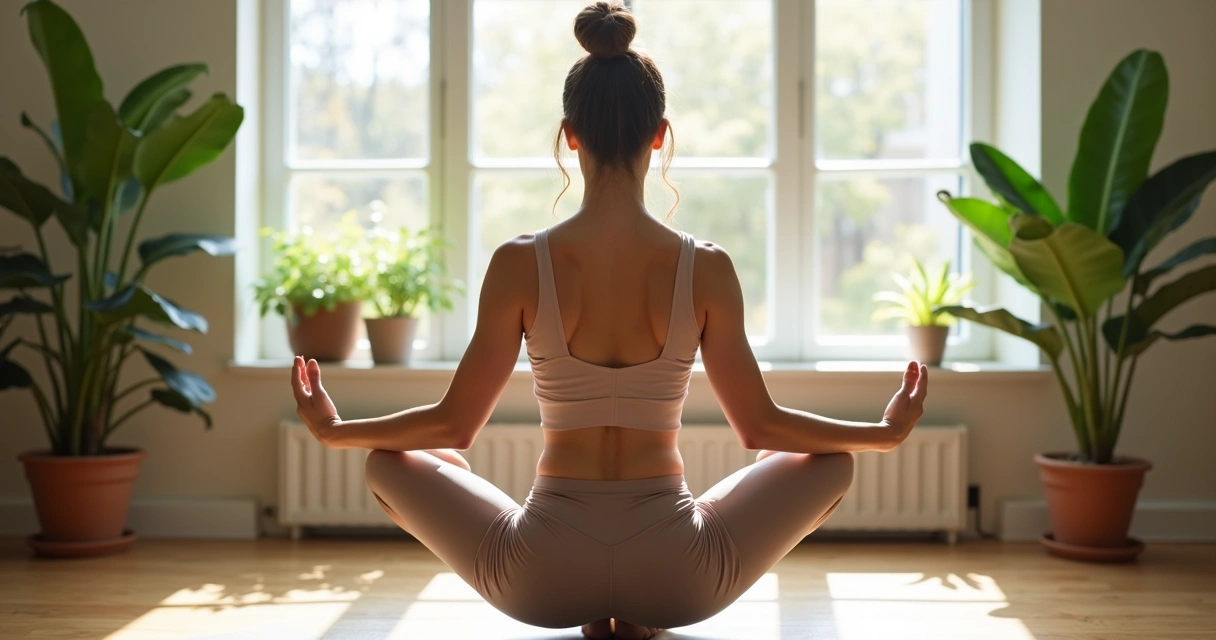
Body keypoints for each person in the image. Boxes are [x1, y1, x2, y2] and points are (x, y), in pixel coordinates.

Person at [290, 2, 928, 638]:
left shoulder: (519, 263)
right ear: (660, 134)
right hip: (678, 574)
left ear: (570, 134)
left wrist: (336, 430)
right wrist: (882, 433)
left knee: (390, 463)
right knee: (833, 463)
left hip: (542, 576)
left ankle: (596, 608)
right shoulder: (705, 267)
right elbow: (761, 427)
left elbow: (453, 426)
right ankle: (643, 614)